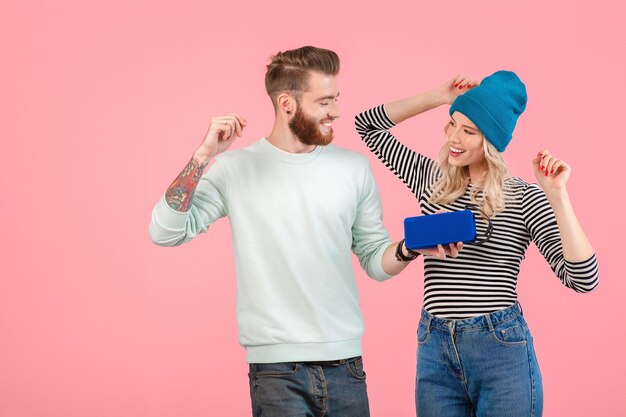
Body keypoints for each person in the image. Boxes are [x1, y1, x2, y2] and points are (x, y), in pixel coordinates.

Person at [149, 46, 458, 417]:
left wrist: (409, 248)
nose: (337, 112)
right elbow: (165, 232)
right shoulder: (234, 169)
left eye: (337, 99)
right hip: (277, 372)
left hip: (347, 365)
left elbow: (375, 261)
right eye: (325, 101)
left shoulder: (353, 168)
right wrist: (202, 157)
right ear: (287, 104)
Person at [355, 71, 599, 417]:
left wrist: (557, 195)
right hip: (434, 345)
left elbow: (583, 278)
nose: (454, 137)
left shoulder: (524, 197)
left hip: (499, 347)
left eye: (468, 131)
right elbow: (367, 125)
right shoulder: (431, 181)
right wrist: (440, 95)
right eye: (452, 124)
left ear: (492, 141)